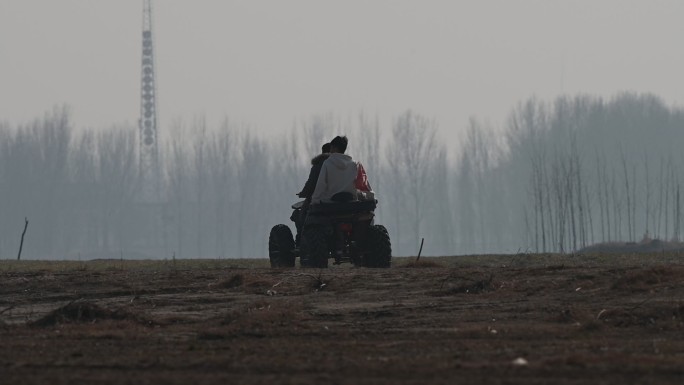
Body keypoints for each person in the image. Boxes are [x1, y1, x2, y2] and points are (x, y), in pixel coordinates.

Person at [311, 136, 372, 204]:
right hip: (351, 203)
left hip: (331, 204)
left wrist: (314, 201)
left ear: (334, 148)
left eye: (331, 148)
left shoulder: (327, 163)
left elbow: (320, 186)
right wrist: (371, 198)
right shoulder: (355, 165)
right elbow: (365, 186)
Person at [292, 143, 330, 244]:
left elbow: (311, 183)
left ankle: (301, 236)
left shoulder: (318, 166)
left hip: (319, 201)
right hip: (341, 201)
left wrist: (303, 193)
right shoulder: (342, 165)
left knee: (301, 214)